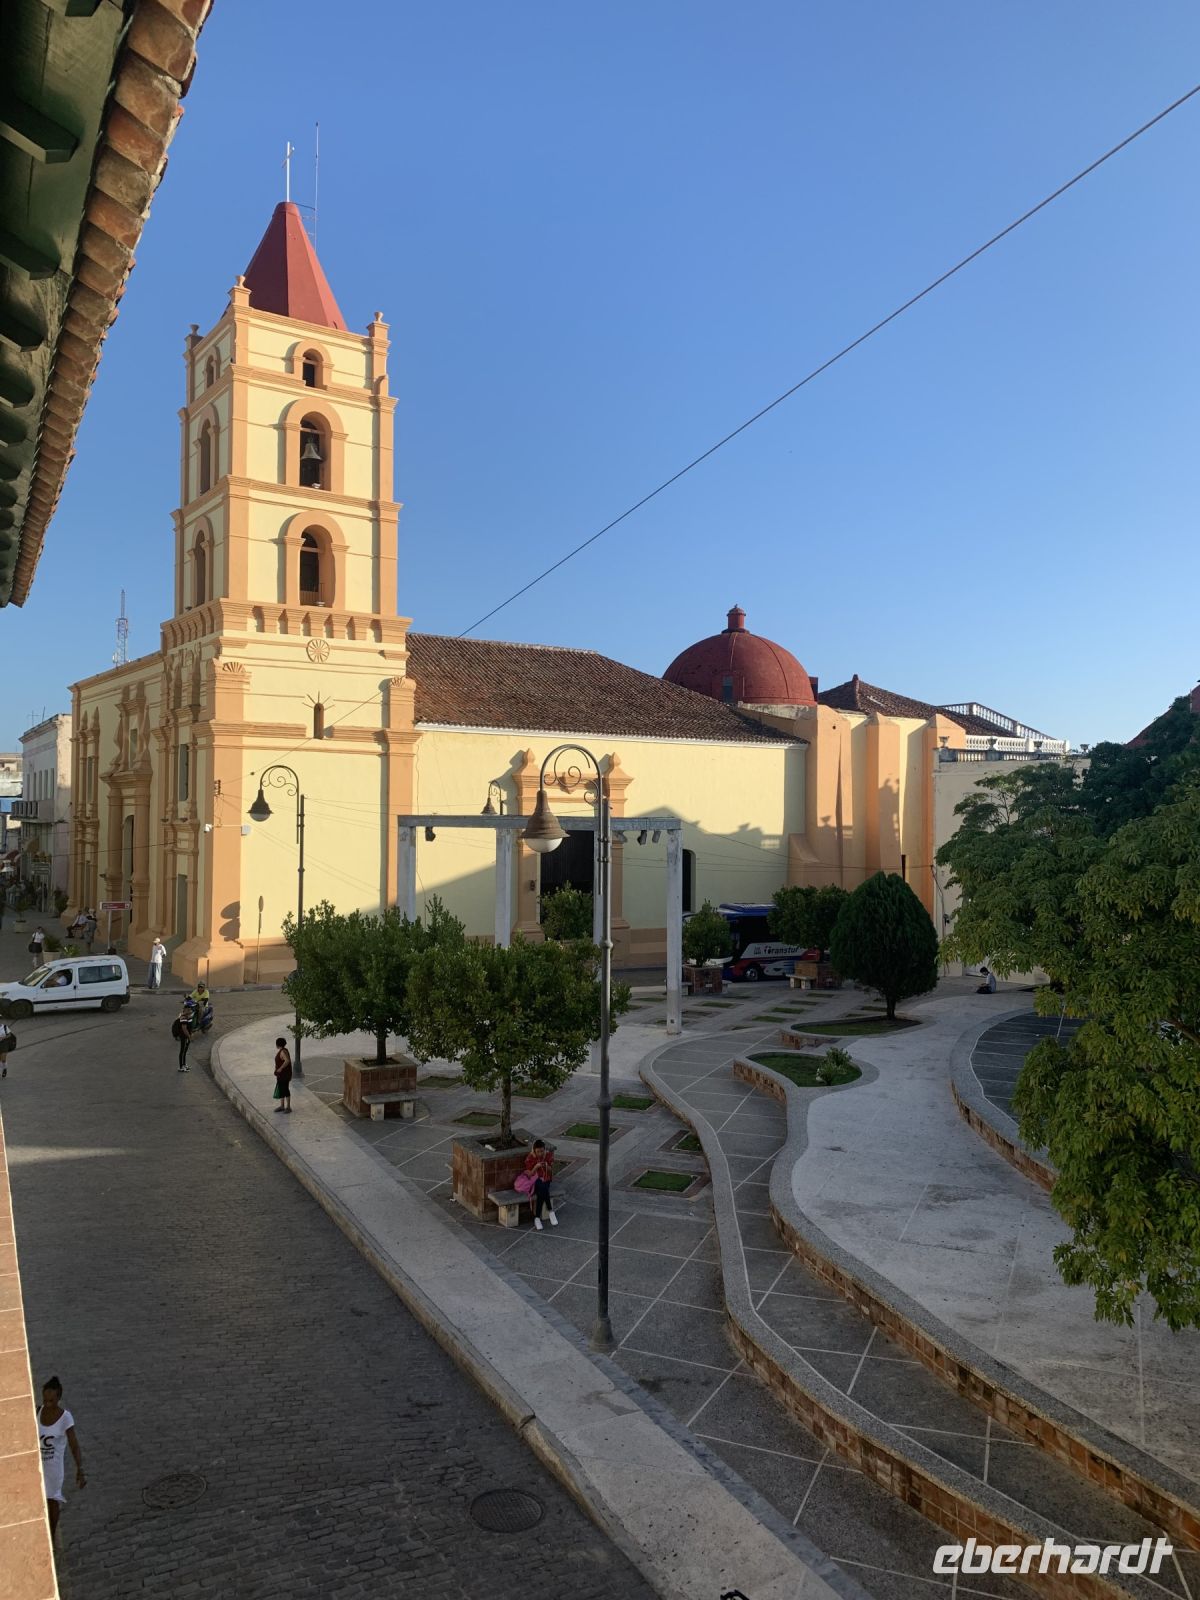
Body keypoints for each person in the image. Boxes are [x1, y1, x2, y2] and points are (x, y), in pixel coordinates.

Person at [37, 1376, 85, 1538]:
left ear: (58, 1398)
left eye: (50, 1400)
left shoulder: (65, 1418)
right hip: (37, 1467)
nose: (47, 1404)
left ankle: (51, 1534)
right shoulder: (37, 1412)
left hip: (53, 1469)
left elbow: (74, 1445)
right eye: (45, 1400)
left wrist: (80, 1468)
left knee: (51, 1501)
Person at [523, 1139, 557, 1230]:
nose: (540, 1153)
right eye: (538, 1152)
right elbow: (530, 1175)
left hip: (546, 1179)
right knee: (543, 1189)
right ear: (534, 1151)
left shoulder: (548, 1155)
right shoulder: (530, 1158)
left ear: (544, 1149)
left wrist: (546, 1166)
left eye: (542, 1151)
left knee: (542, 1191)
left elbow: (551, 1171)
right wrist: (536, 1167)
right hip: (535, 1180)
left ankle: (537, 1218)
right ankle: (550, 1211)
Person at [273, 1037, 292, 1113]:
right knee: (281, 1089)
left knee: (285, 1089)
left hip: (284, 1075)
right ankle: (282, 1106)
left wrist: (280, 1068)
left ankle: (288, 1107)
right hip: (281, 1075)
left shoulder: (282, 1052)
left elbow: (287, 1061)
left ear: (277, 1044)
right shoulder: (283, 1050)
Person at [172, 1007, 192, 1072]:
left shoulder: (187, 1016)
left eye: (190, 1009)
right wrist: (189, 1036)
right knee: (182, 1051)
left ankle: (184, 1064)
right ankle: (181, 1067)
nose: (190, 1010)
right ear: (185, 1010)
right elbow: (184, 1029)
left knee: (184, 1051)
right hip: (183, 1036)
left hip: (186, 1037)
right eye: (188, 1010)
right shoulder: (183, 1018)